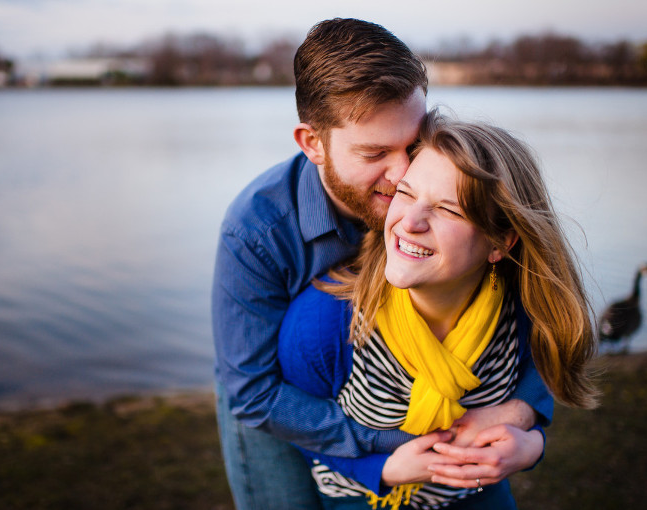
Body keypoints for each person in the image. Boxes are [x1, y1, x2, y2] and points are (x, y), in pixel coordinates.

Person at [212, 18, 553, 509]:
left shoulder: (449, 195)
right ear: (312, 144)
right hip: (279, 400)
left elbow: (540, 312)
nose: (403, 174)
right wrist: (391, 452)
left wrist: (524, 414)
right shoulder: (256, 232)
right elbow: (254, 392)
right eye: (375, 153)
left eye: (412, 144)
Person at [278, 112, 600, 509]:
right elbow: (303, 430)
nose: (409, 222)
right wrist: (382, 469)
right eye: (406, 193)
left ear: (500, 242)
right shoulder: (323, 323)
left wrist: (530, 441)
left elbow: (542, 372)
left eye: (448, 209)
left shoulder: (523, 311)